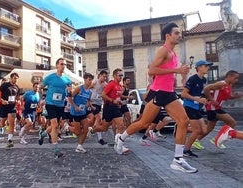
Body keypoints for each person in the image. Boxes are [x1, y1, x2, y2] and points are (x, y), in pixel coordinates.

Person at [114, 23, 198, 173]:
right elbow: (152, 70)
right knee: (144, 123)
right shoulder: (163, 51)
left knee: (183, 121)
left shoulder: (173, 54)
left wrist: (181, 73)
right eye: (176, 33)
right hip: (158, 92)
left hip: (168, 92)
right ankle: (120, 138)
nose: (179, 35)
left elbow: (170, 73)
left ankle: (178, 159)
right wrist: (177, 70)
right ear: (168, 36)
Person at [195, 70, 241, 149]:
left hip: (217, 108)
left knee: (209, 128)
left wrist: (234, 96)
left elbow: (226, 97)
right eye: (235, 78)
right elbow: (206, 88)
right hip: (213, 108)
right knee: (232, 122)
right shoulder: (222, 83)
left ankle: (195, 141)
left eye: (237, 79)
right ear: (229, 76)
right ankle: (217, 139)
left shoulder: (229, 85)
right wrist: (211, 99)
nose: (236, 80)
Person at [38, 58, 72, 159]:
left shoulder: (67, 80)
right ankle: (56, 150)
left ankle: (43, 134)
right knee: (55, 125)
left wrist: (70, 92)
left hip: (60, 105)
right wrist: (41, 99)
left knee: (54, 126)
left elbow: (69, 93)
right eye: (61, 64)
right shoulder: (50, 77)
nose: (63, 66)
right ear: (57, 65)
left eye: (65, 64)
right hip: (50, 104)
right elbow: (40, 87)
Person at [90, 68, 129, 153]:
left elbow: (117, 97)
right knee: (104, 128)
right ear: (115, 76)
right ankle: (92, 130)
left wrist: (120, 102)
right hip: (109, 107)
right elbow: (103, 95)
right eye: (120, 75)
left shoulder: (119, 86)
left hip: (115, 108)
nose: (121, 77)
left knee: (121, 125)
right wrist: (112, 100)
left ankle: (119, 146)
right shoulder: (111, 84)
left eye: (122, 75)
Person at [181, 60, 212, 157]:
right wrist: (197, 99)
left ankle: (182, 128)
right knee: (197, 130)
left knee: (204, 130)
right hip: (189, 106)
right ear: (199, 67)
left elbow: (200, 93)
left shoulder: (203, 80)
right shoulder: (193, 79)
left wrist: (205, 99)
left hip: (196, 107)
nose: (208, 68)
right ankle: (186, 150)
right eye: (206, 66)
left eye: (208, 66)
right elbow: (183, 94)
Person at [68, 73, 94, 153]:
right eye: (89, 80)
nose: (90, 82)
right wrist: (75, 106)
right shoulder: (79, 88)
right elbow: (70, 98)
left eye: (91, 80)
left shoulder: (90, 91)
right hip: (75, 112)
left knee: (86, 130)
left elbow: (88, 101)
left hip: (83, 113)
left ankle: (79, 146)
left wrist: (90, 106)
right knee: (78, 132)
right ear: (85, 79)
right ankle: (67, 127)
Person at [0, 72, 20, 148]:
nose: (16, 80)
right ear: (11, 78)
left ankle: (10, 140)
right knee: (2, 123)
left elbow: (17, 97)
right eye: (15, 78)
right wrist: (1, 100)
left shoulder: (17, 87)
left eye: (17, 79)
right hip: (4, 107)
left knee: (12, 123)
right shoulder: (5, 85)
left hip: (12, 107)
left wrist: (18, 101)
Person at [89, 70, 108, 145]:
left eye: (106, 77)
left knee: (92, 121)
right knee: (98, 119)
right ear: (100, 75)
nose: (105, 78)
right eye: (103, 76)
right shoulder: (95, 82)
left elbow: (104, 95)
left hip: (99, 103)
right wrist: (89, 101)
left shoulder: (105, 84)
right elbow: (87, 89)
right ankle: (100, 138)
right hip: (93, 102)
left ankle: (90, 130)